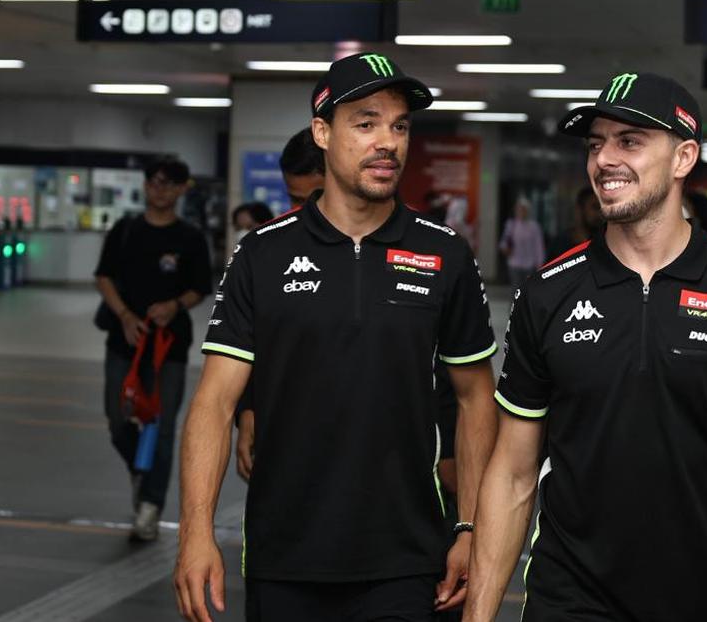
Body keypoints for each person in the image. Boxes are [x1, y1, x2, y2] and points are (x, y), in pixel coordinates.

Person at [466, 72, 707, 621]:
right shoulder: (547, 293)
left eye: (629, 141)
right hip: (571, 598)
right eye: (596, 144)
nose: (605, 160)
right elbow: (513, 472)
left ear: (683, 158)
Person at [174, 52, 499, 622]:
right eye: (366, 123)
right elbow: (214, 402)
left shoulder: (444, 253)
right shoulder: (262, 253)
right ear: (322, 133)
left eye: (399, 127)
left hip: (406, 557)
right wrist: (195, 531)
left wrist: (471, 527)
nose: (388, 142)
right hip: (285, 554)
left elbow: (475, 398)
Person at [94, 157, 212, 542]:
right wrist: (125, 316)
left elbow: (200, 287)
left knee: (161, 428)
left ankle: (150, 505)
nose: (160, 190)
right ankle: (140, 471)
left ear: (181, 190)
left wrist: (174, 306)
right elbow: (103, 277)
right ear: (145, 186)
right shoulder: (125, 230)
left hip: (168, 346)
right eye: (155, 182)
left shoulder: (190, 237)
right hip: (124, 342)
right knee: (117, 419)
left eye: (169, 184)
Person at [232, 127, 325, 483]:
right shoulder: (267, 249)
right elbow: (251, 342)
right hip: (287, 432)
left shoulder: (406, 249)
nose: (305, 212)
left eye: (316, 198)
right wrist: (248, 408)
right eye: (295, 200)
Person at [498, 197, 546, 289]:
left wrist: (540, 264)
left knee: (528, 289)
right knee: (516, 289)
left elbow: (538, 246)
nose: (521, 212)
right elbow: (504, 241)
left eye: (523, 210)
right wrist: (505, 249)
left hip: (529, 264)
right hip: (514, 263)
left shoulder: (534, 227)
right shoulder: (511, 225)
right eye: (519, 209)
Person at [548, 186, 603, 260]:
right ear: (579, 210)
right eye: (595, 207)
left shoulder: (604, 244)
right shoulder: (560, 244)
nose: (599, 214)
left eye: (601, 208)